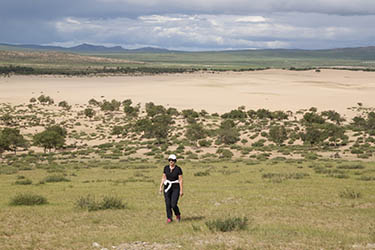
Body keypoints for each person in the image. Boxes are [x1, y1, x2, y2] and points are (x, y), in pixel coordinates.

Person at [159, 154, 183, 224]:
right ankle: (169, 218)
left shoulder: (178, 169)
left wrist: (181, 190)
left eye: (172, 160)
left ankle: (177, 214)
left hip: (175, 187)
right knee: (167, 203)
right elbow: (163, 178)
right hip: (167, 187)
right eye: (170, 160)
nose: (171, 161)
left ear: (175, 161)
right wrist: (160, 187)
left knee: (173, 204)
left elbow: (180, 180)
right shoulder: (166, 168)